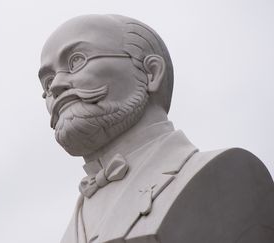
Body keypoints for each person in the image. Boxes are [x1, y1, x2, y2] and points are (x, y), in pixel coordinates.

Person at [38, 14, 274, 243]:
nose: (56, 86)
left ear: (151, 72)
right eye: (47, 83)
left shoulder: (226, 174)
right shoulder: (74, 224)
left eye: (77, 61)